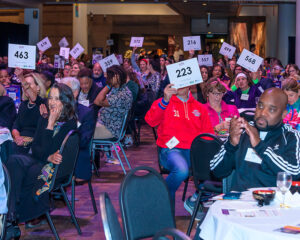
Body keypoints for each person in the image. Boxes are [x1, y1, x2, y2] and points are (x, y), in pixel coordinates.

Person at [6, 83, 77, 237]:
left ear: (65, 102)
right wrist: (47, 153)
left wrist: (51, 124)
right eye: (50, 97)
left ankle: (13, 218)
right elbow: (37, 149)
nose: (51, 102)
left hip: (53, 169)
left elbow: (46, 150)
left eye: (57, 99)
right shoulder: (44, 118)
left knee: (28, 171)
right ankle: (11, 214)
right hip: (39, 160)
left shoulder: (69, 124)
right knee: (13, 161)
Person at [210, 88, 300, 192]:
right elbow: (216, 171)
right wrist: (231, 143)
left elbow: (294, 172)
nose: (263, 113)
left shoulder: (291, 136)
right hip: (240, 201)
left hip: (273, 202)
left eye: (271, 109)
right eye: (260, 106)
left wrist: (259, 145)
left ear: (283, 114)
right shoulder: (243, 131)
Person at [145, 84, 214, 201]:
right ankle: (162, 194)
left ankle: (195, 201)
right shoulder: (163, 103)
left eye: (183, 82)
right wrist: (164, 101)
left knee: (221, 168)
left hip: (194, 152)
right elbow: (150, 121)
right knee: (182, 171)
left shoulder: (200, 107)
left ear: (189, 85)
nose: (179, 85)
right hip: (171, 150)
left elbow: (208, 135)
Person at [94, 65, 133, 164]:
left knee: (82, 132)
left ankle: (90, 164)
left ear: (117, 77)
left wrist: (108, 85)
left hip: (110, 130)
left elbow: (97, 101)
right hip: (106, 124)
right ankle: (93, 162)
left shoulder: (122, 94)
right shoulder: (119, 89)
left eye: (109, 76)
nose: (107, 78)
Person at [60, 77, 96, 182]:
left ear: (75, 93)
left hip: (73, 155)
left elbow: (83, 141)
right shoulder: (54, 109)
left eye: (64, 90)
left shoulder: (85, 113)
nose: (60, 93)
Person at [11, 72, 46, 154]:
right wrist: (17, 137)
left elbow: (34, 99)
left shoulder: (43, 103)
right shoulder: (23, 104)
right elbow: (16, 126)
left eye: (28, 84)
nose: (25, 87)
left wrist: (21, 78)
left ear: (38, 87)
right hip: (20, 140)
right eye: (23, 85)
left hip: (35, 144)